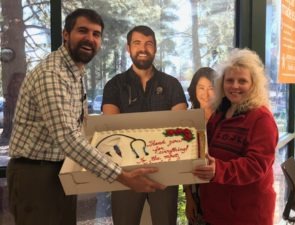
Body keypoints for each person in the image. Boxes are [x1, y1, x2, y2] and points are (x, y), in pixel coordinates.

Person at [6, 9, 165, 225]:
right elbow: (68, 137)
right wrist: (122, 175)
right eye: (83, 31)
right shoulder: (52, 74)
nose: (90, 39)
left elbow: (78, 129)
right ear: (65, 34)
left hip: (57, 170)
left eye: (96, 34)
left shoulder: (74, 71)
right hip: (36, 175)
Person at [102, 25, 187, 225]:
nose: (143, 48)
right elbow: (113, 130)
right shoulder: (114, 86)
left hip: (165, 172)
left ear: (155, 49)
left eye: (149, 44)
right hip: (125, 172)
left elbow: (179, 128)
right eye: (137, 43)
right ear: (128, 48)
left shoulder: (171, 85)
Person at [193, 48, 279, 225]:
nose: (235, 86)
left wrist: (219, 170)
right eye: (229, 80)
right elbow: (203, 150)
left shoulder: (261, 119)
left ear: (253, 84)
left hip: (246, 215)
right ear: (222, 84)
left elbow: (256, 165)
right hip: (215, 211)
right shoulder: (220, 113)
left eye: (242, 81)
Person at [184, 67, 217, 225]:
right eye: (201, 88)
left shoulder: (224, 118)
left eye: (211, 88)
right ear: (194, 90)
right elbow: (183, 159)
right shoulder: (188, 120)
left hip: (220, 186)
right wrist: (189, 197)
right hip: (196, 188)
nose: (206, 94)